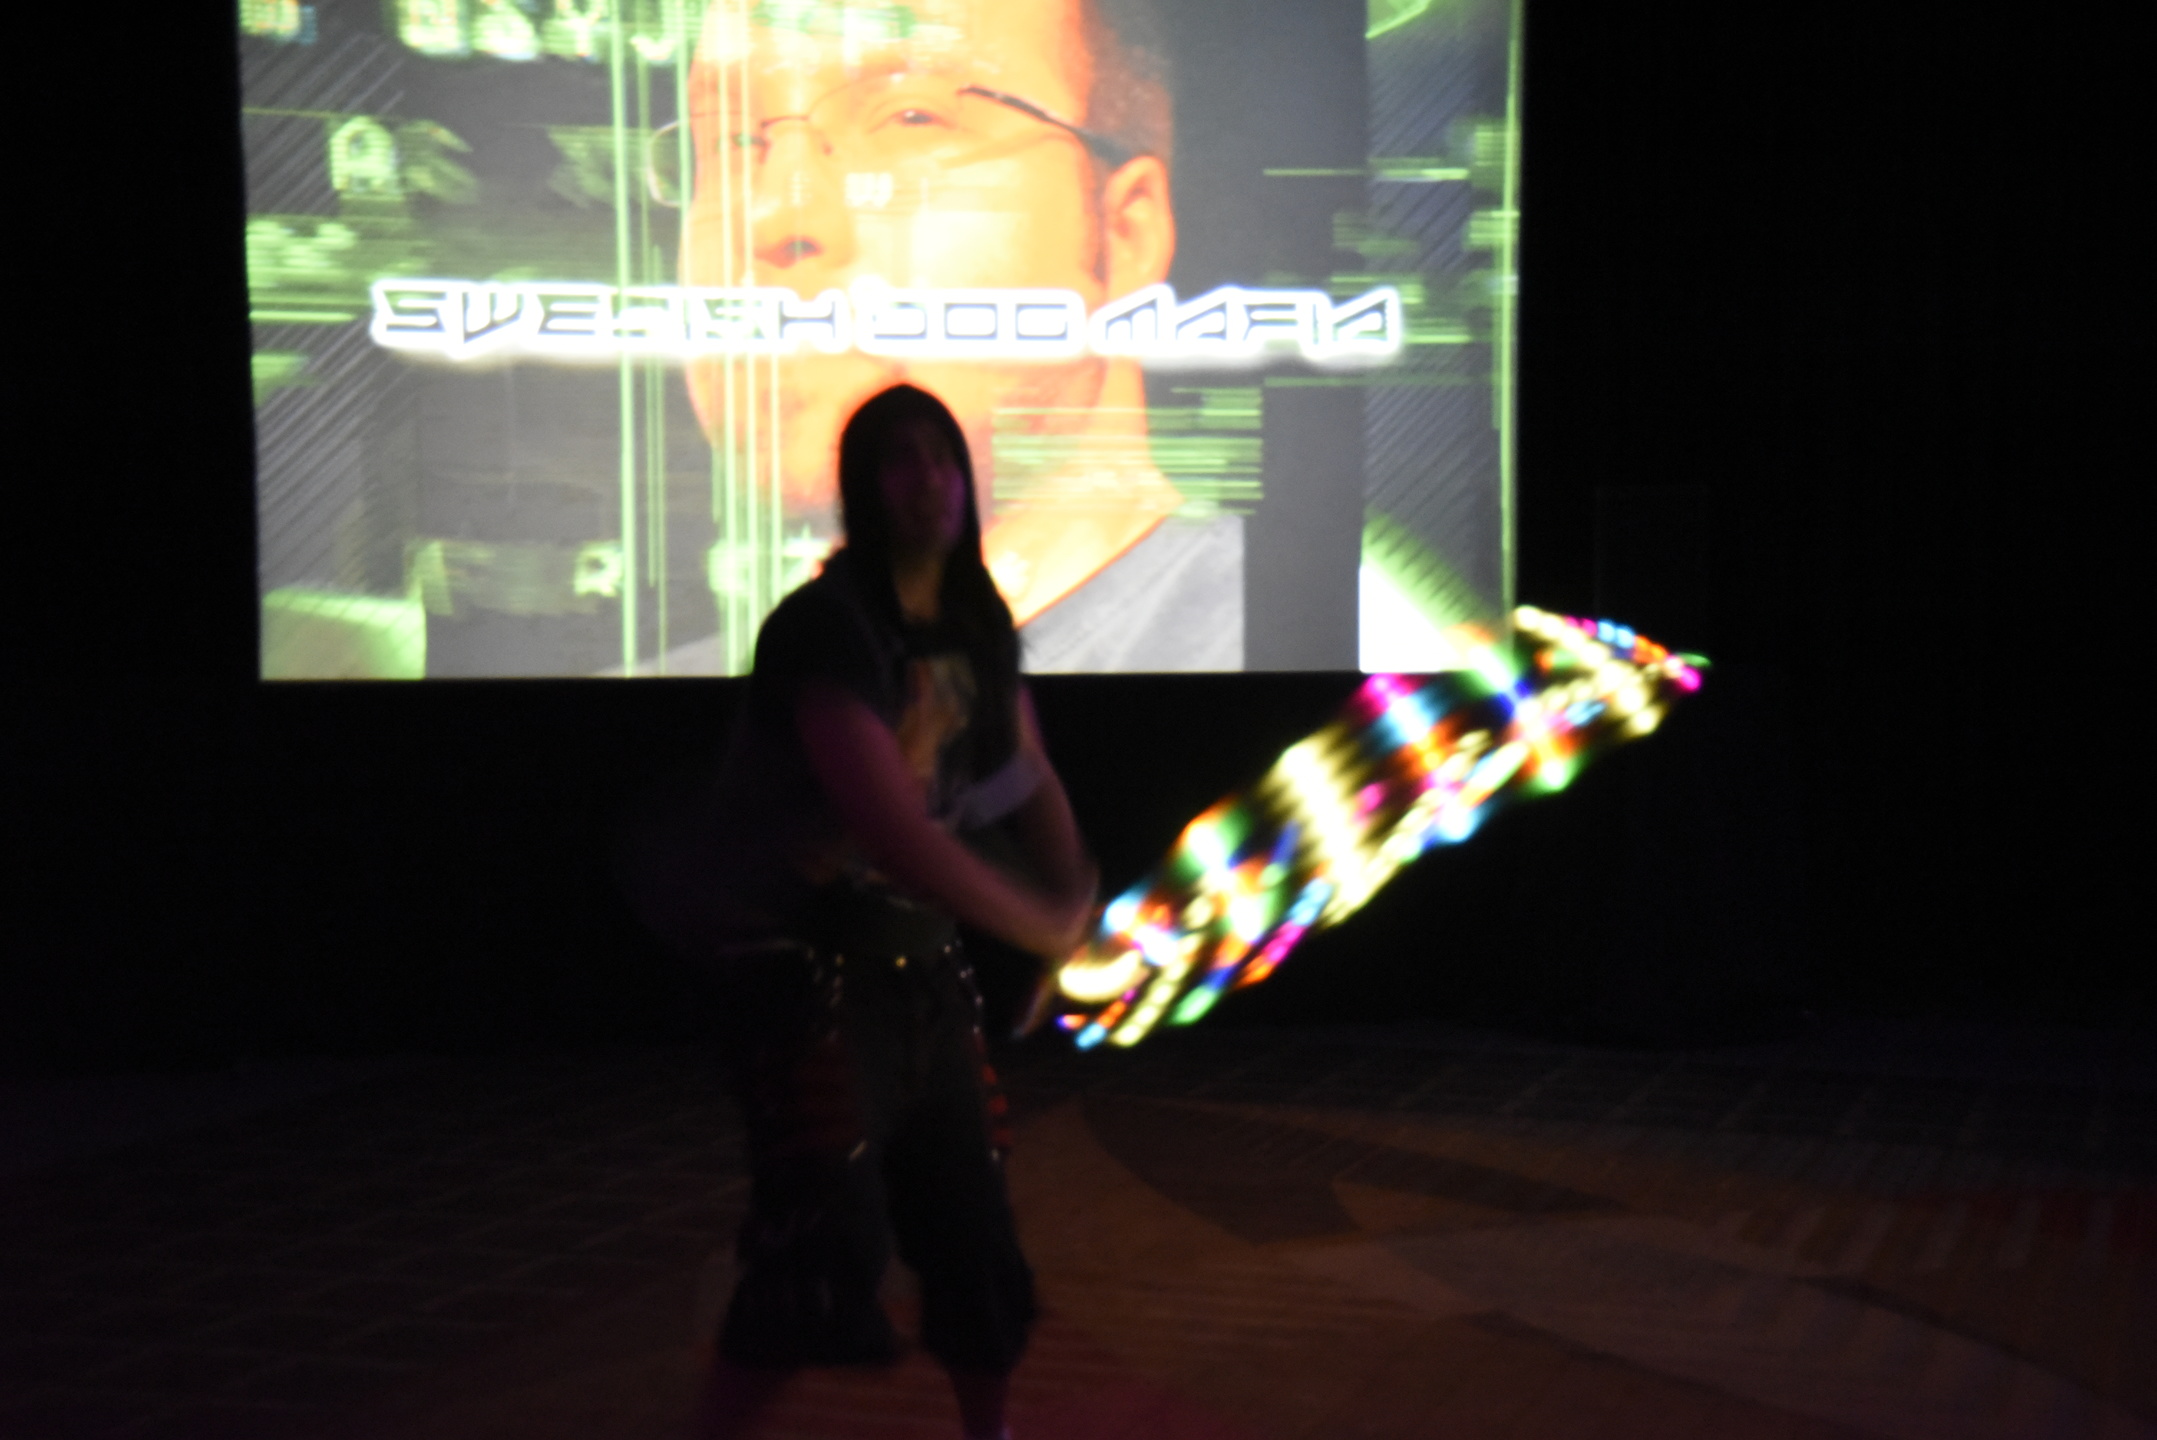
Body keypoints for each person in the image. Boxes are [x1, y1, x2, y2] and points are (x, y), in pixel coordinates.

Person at [620, 385, 1096, 1440]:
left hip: (924, 975)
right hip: (804, 980)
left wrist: (1075, 901)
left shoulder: (974, 625)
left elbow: (1029, 775)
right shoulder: (825, 630)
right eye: (900, 461)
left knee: (973, 1236)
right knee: (823, 1243)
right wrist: (1043, 927)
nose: (928, 481)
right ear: (861, 488)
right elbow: (895, 830)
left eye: (943, 459)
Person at [677, 0, 1242, 671]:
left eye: (911, 118)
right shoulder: (665, 698)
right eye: (732, 143)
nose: (772, 215)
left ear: (1124, 234)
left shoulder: (1287, 632)